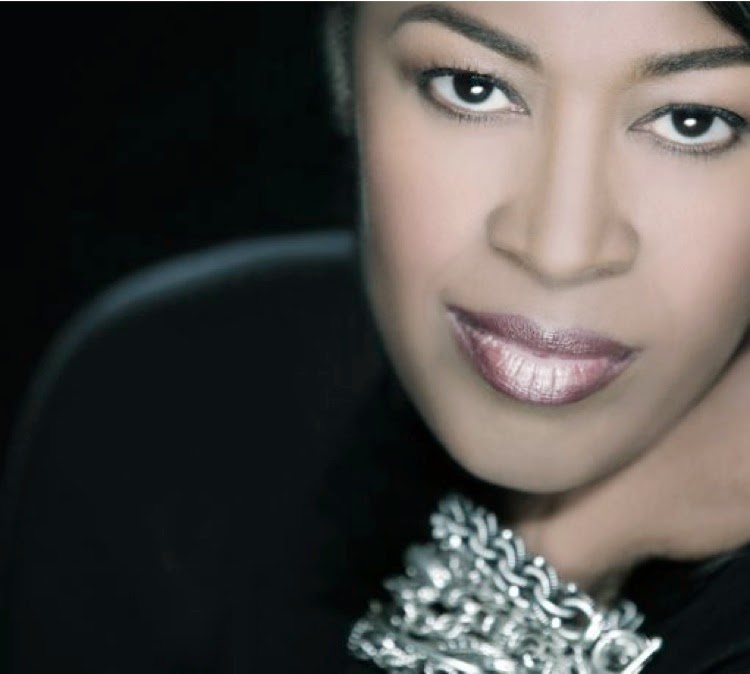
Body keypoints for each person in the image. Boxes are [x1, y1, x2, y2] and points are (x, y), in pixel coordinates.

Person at [2, 2, 750, 673]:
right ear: (343, 67)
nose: (559, 247)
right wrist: (568, 551)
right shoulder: (165, 404)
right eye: (471, 87)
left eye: (694, 121)